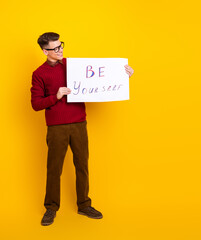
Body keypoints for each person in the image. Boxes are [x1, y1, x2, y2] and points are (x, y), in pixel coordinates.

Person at [31, 32, 134, 226]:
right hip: (56, 127)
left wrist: (124, 74)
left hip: (79, 123)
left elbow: (101, 77)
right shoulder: (39, 74)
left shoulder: (75, 66)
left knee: (82, 165)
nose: (60, 50)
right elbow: (36, 104)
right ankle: (51, 208)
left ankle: (84, 205)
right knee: (54, 169)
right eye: (55, 48)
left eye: (61, 45)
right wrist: (56, 95)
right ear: (45, 51)